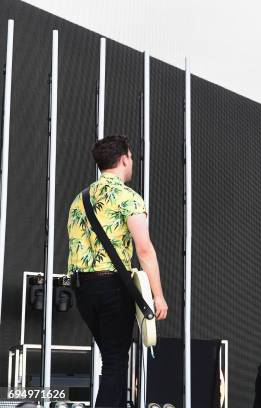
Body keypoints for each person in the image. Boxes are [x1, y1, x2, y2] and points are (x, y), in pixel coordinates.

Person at [67, 135, 168, 407]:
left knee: (111, 360)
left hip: (81, 289)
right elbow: (144, 250)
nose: (132, 162)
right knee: (114, 363)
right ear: (124, 159)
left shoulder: (79, 200)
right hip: (111, 286)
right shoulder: (128, 198)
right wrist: (157, 296)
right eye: (131, 158)